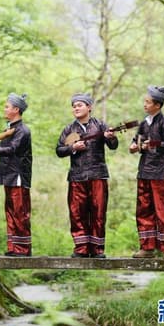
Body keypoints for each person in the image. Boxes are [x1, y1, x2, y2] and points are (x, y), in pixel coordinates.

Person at [56, 93, 118, 258]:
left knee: (98, 212)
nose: (76, 108)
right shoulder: (69, 129)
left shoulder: (100, 125)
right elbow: (59, 150)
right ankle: (81, 248)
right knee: (77, 213)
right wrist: (73, 147)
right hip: (77, 176)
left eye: (80, 105)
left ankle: (97, 249)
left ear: (89, 107)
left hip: (98, 174)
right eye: (74, 106)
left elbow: (113, 146)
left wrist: (111, 137)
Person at [0, 93, 32, 257]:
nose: (5, 109)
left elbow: (11, 150)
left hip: (18, 175)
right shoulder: (9, 129)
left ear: (16, 109)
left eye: (7, 106)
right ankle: (13, 247)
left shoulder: (22, 130)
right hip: (8, 175)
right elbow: (4, 149)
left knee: (20, 211)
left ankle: (23, 248)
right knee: (10, 211)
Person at [129, 85, 164, 259]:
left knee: (163, 209)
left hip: (160, 172)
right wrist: (134, 147)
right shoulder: (144, 123)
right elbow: (137, 142)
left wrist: (154, 143)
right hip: (144, 171)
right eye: (145, 101)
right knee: (144, 210)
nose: (145, 104)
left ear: (157, 105)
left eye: (148, 102)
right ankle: (146, 247)